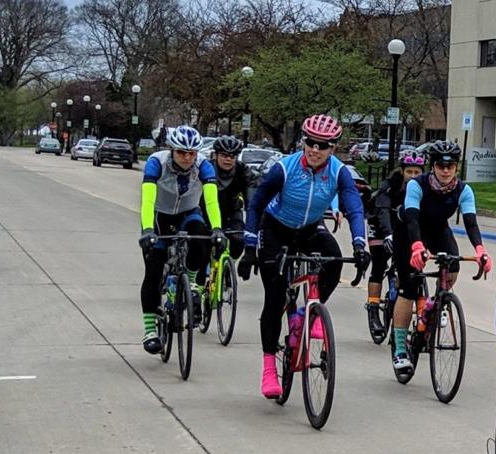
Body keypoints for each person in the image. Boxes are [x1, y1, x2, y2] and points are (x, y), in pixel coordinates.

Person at [239, 114, 369, 399]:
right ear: (302, 141)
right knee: (274, 296)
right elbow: (256, 205)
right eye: (310, 142)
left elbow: (354, 208)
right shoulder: (284, 169)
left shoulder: (338, 172)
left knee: (333, 260)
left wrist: (360, 244)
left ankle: (307, 312)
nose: (314, 149)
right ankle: (269, 367)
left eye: (322, 145)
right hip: (275, 228)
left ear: (333, 148)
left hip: (310, 228)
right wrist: (249, 246)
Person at [391, 139, 493, 375]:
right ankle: (400, 350)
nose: (446, 170)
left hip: (438, 230)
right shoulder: (417, 185)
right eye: (440, 165)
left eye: (451, 165)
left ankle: (433, 304)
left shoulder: (463, 190)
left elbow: (470, 222)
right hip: (408, 231)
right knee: (408, 286)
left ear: (456, 167)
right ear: (432, 165)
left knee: (453, 265)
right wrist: (417, 247)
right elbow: (412, 218)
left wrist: (480, 250)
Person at [137, 125, 225, 353]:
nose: (187, 158)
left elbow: (212, 201)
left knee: (202, 235)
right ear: (171, 150)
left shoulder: (203, 165)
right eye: (182, 152)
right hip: (160, 216)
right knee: (154, 270)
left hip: (189, 212)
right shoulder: (157, 162)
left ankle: (192, 280)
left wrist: (217, 229)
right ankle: (150, 330)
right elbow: (147, 199)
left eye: (192, 153)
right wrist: (147, 230)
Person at [366, 147, 425, 310]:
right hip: (380, 223)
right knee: (379, 264)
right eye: (409, 172)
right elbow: (383, 210)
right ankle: (373, 306)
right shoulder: (391, 184)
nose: (413, 176)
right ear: (402, 171)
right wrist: (388, 234)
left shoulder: (423, 187)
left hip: (402, 225)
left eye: (417, 172)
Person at [205, 134, 248, 259]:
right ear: (216, 155)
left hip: (231, 214)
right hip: (206, 213)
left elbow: (252, 200)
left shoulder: (243, 171)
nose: (228, 159)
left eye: (232, 156)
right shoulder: (206, 168)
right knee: (202, 246)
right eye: (224, 155)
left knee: (239, 241)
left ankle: (227, 267)